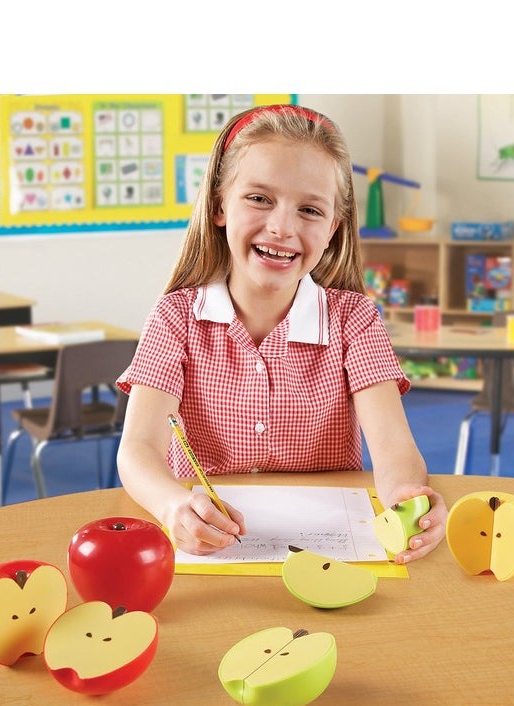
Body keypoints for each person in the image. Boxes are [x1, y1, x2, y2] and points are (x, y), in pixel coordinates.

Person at [117, 103, 447, 561]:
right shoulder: (176, 316)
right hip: (213, 543)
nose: (282, 227)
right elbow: (138, 449)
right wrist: (172, 504)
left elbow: (394, 449)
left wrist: (407, 496)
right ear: (218, 206)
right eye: (259, 198)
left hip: (330, 547)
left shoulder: (355, 319)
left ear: (332, 229)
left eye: (309, 209)